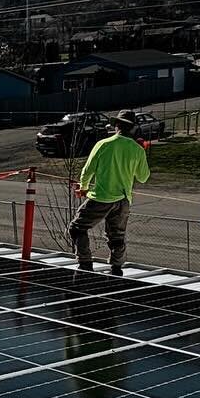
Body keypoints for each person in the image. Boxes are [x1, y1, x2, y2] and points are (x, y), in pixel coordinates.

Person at [69, 112, 151, 276]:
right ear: (133, 128)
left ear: (117, 126)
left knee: (77, 228)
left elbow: (88, 169)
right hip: (123, 200)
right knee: (117, 236)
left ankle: (85, 263)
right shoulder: (137, 149)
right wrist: (142, 154)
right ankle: (116, 267)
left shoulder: (104, 144)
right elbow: (143, 177)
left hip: (101, 197)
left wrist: (83, 188)